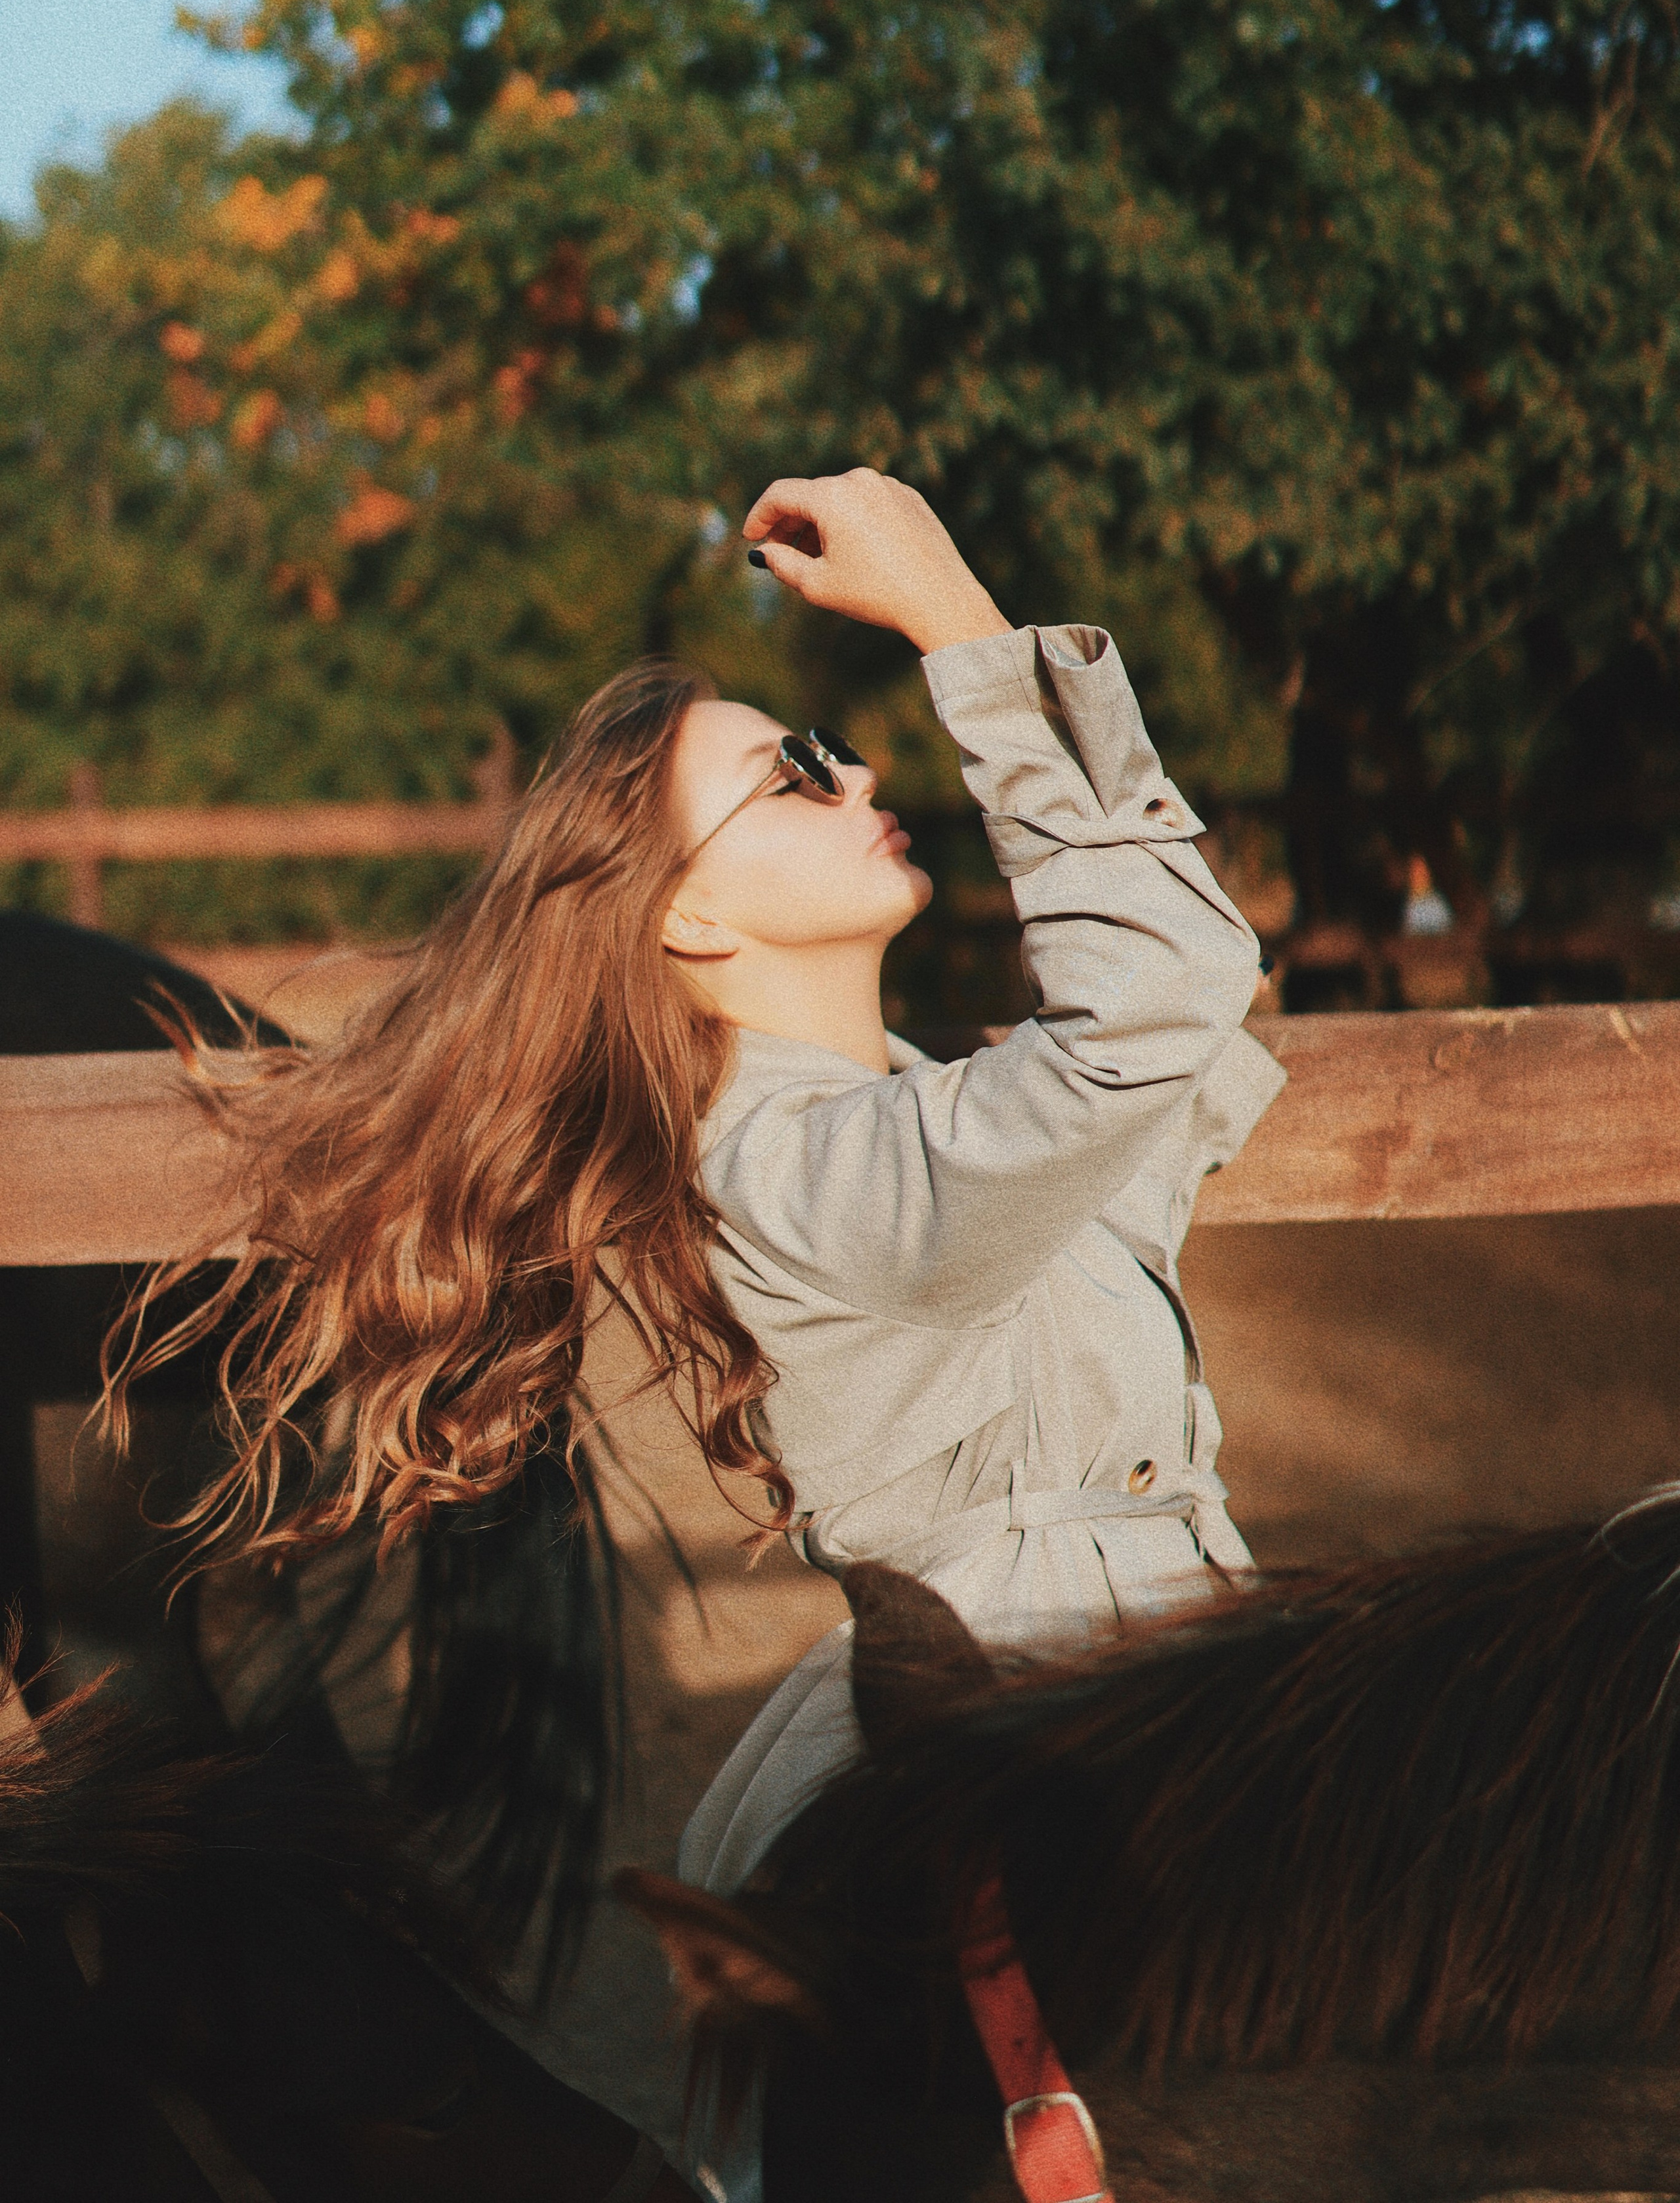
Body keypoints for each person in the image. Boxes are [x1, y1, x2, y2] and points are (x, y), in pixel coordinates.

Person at [105, 466, 1281, 2190]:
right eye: (791, 770)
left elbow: (1189, 983)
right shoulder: (804, 1168)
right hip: (1027, 1810)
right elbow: (1164, 993)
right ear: (687, 916)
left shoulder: (935, 1116)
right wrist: (957, 614)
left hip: (1151, 1741)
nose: (865, 769)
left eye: (836, 750)